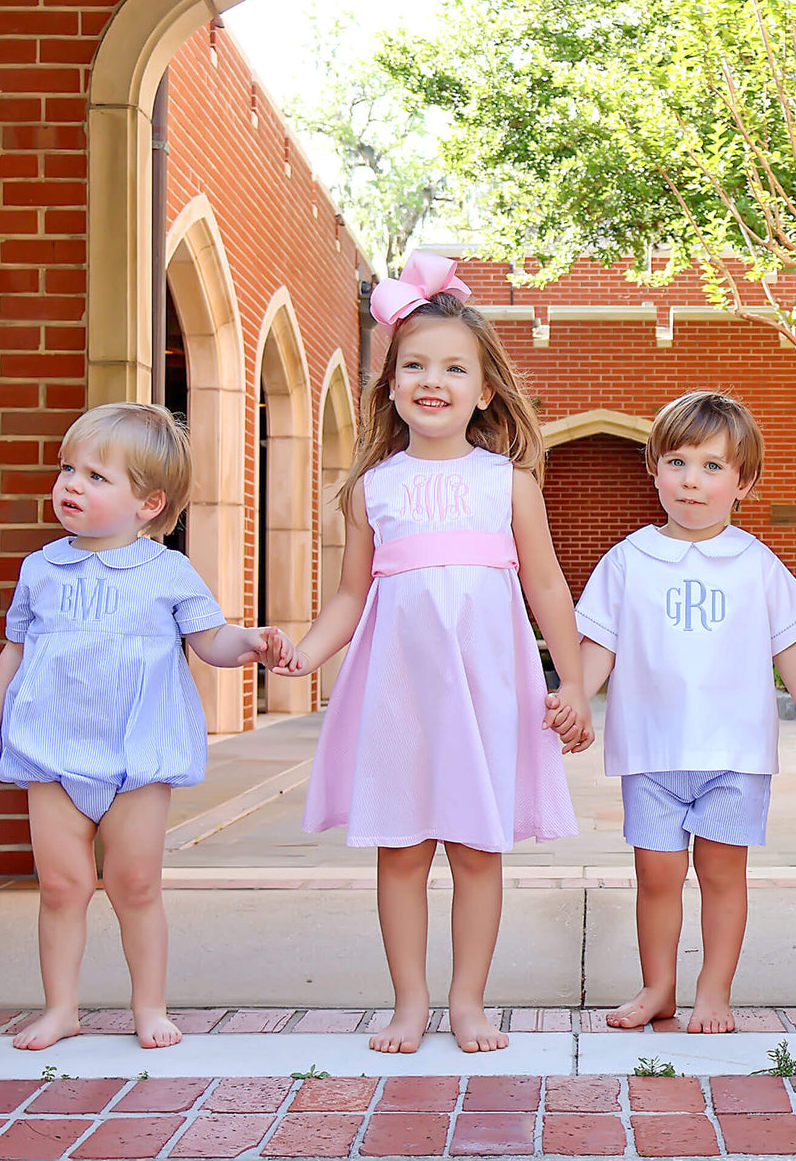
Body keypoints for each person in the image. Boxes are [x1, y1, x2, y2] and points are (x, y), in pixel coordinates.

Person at [285, 251, 589, 1055]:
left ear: (485, 390)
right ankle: (409, 1002)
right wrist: (305, 654)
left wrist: (577, 685)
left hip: (488, 688)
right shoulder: (371, 489)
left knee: (477, 849)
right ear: (389, 386)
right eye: (414, 364)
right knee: (402, 849)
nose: (433, 380)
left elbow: (549, 588)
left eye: (455, 368)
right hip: (398, 694)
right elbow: (350, 597)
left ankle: (468, 1003)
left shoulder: (508, 483)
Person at [0, 403, 297, 1051]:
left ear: (148, 503)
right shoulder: (41, 569)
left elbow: (209, 639)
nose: (71, 484)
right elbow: (15, 649)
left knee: (135, 884)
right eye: (68, 469)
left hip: (135, 756)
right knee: (62, 886)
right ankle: (61, 1007)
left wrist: (250, 642)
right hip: (52, 753)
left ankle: (149, 1006)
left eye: (95, 476)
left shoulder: (166, 572)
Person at [566, 391, 796, 1034]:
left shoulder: (755, 563)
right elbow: (597, 649)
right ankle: (658, 987)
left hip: (734, 755)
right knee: (656, 877)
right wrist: (572, 704)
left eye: (714, 467)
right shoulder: (628, 560)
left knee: (722, 876)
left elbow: (792, 649)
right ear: (654, 467)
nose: (693, 480)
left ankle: (714, 993)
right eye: (679, 461)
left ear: (743, 483)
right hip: (653, 752)